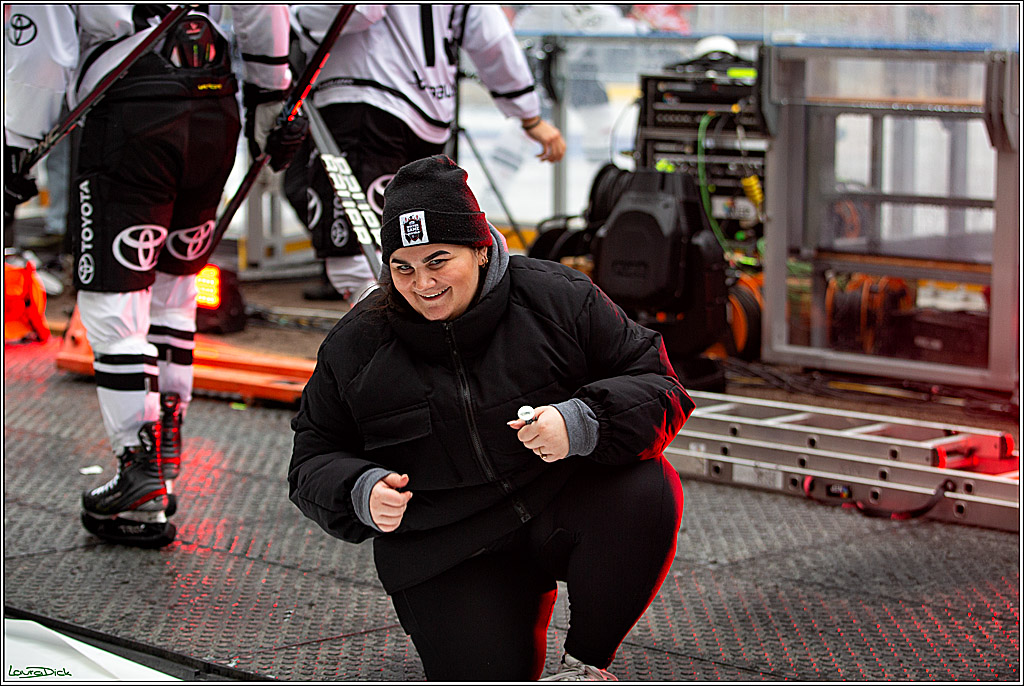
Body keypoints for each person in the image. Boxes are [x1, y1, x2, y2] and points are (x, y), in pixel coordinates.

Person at [289, 155, 693, 681]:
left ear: (481, 249)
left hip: (558, 503)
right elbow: (311, 458)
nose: (422, 283)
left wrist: (581, 422)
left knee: (648, 488)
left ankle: (585, 665)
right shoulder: (356, 344)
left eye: (438, 261)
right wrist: (359, 490)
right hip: (449, 546)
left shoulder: (557, 297)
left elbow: (661, 384)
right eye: (403, 267)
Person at [4, 4, 307, 548]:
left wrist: (17, 143)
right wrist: (271, 94)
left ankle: (139, 467)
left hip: (129, 107)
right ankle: (161, 451)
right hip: (214, 104)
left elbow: (42, 40)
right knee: (175, 290)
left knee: (112, 301)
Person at [283, 4, 565, 301]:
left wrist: (291, 16)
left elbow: (361, 10)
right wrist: (527, 112)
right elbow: (490, 35)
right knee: (414, 244)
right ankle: (416, 325)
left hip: (365, 98)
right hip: (428, 107)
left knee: (359, 255)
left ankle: (384, 328)